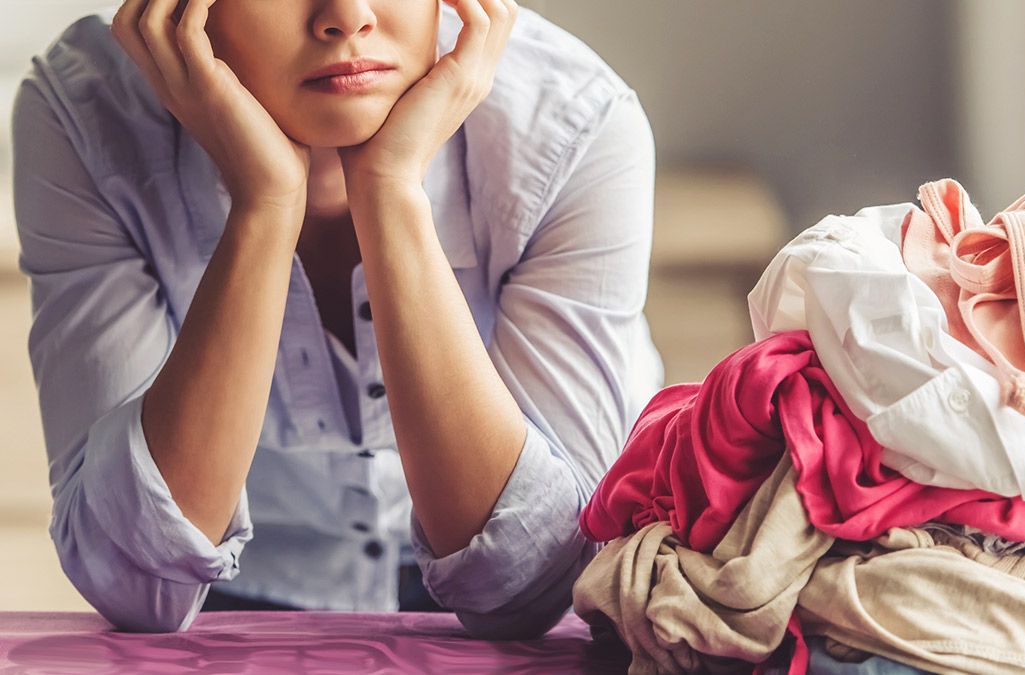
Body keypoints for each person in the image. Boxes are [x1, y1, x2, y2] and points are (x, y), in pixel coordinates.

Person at [11, 0, 662, 638]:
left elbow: (530, 588)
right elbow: (138, 584)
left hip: (491, 619)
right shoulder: (83, 117)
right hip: (233, 594)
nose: (347, 15)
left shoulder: (573, 124)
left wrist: (390, 192)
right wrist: (265, 206)